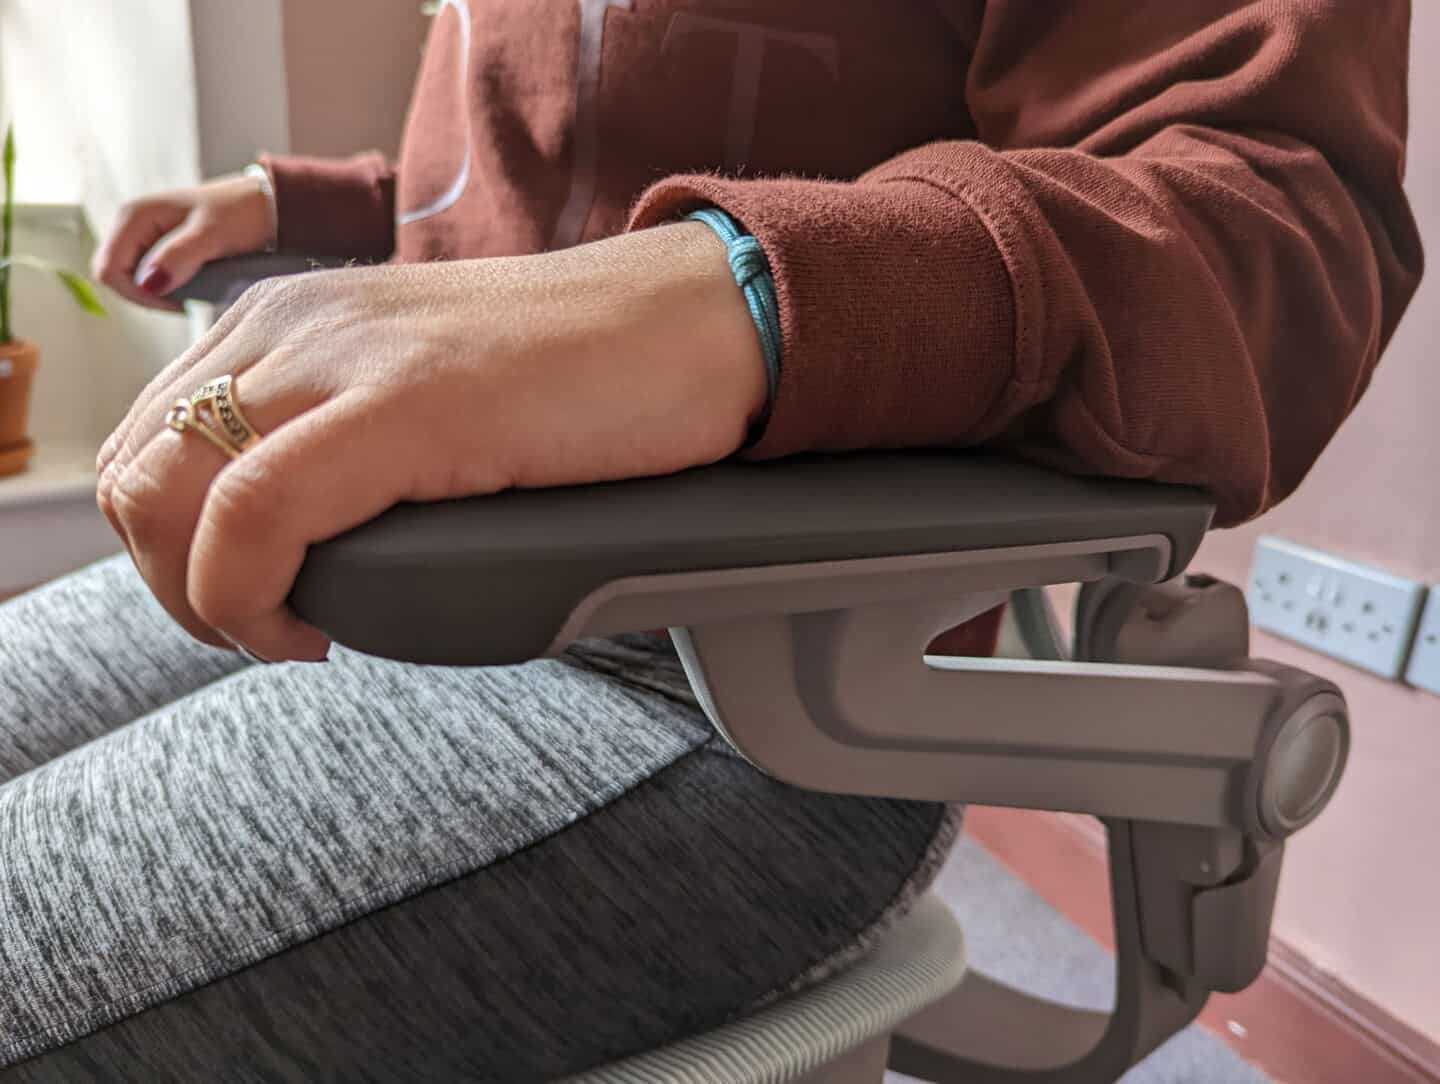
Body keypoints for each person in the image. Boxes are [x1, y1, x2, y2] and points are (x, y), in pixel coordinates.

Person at [0, 1, 1423, 1078]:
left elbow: (1277, 219)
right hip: (386, 549)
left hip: (724, 673)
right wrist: (296, 204)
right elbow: (537, 187)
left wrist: (748, 291)